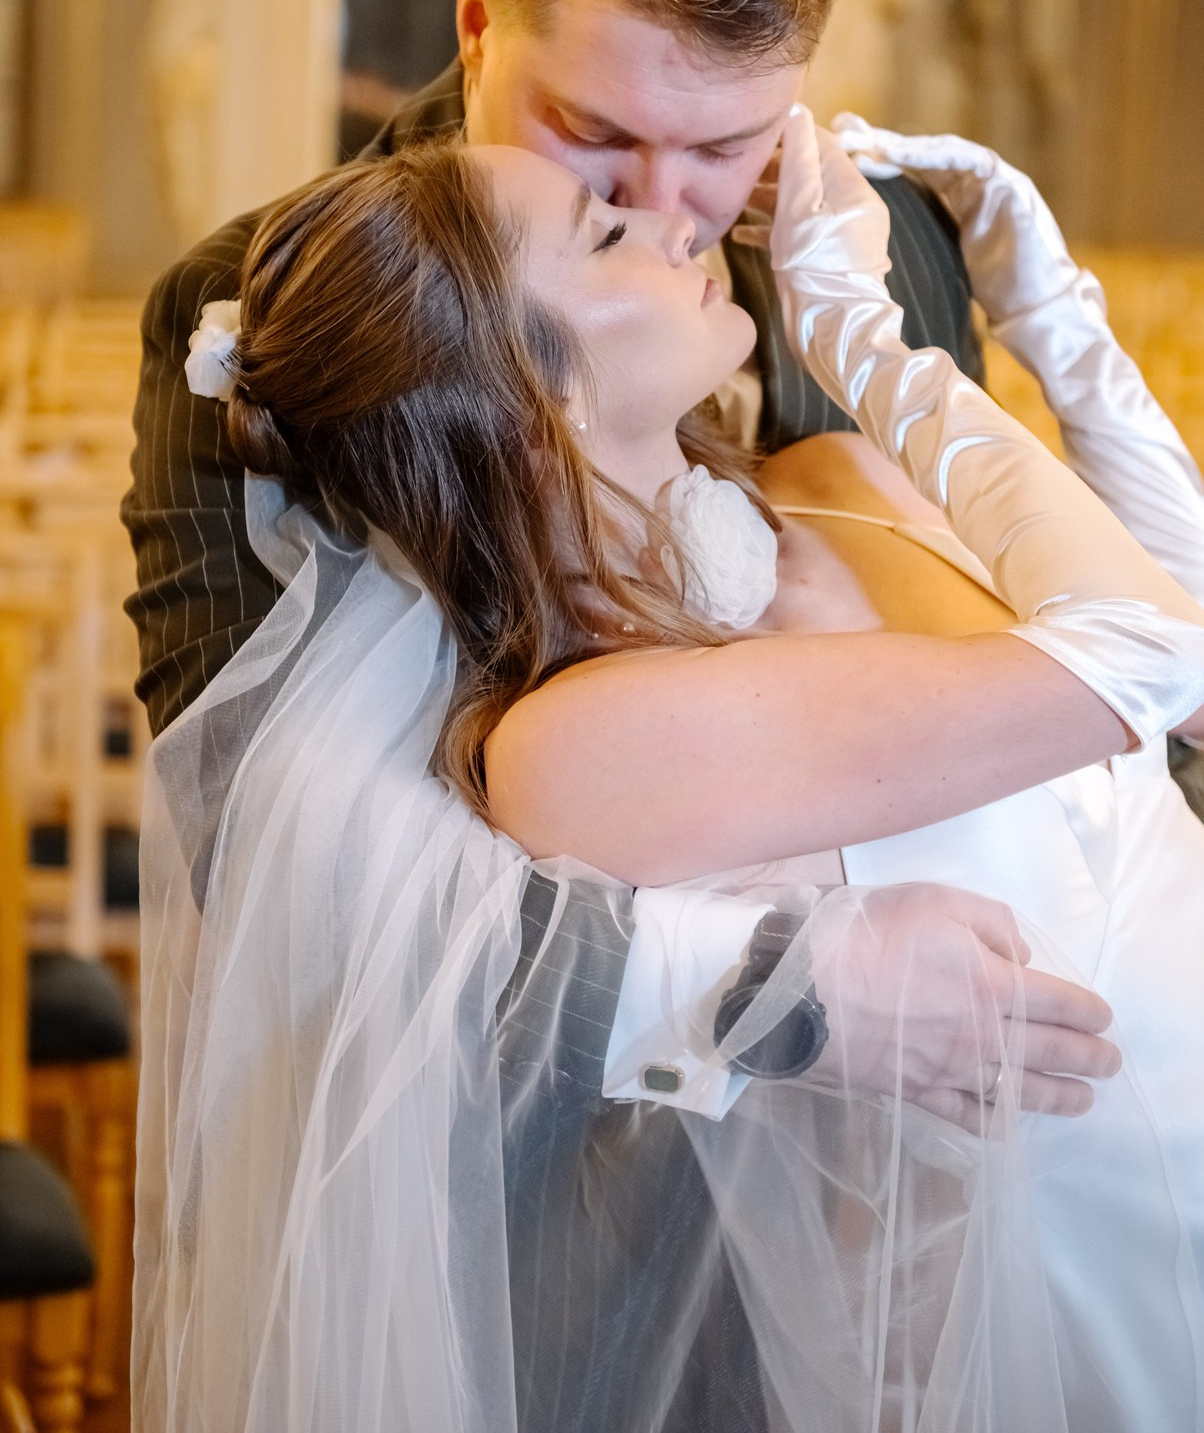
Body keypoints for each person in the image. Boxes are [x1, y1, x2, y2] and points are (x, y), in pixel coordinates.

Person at [133, 109, 1204, 1431]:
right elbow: (1149, 658)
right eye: (604, 228)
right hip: (1121, 1254)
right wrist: (862, 333)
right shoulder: (586, 737)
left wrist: (1048, 308)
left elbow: (1185, 643)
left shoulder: (828, 475)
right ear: (544, 405)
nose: (674, 220)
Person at [123, 0, 1112, 1121]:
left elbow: (1003, 658)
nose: (666, 211)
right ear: (478, 20)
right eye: (592, 132)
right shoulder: (265, 320)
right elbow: (276, 867)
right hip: (510, 1190)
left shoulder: (898, 249)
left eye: (724, 148)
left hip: (939, 1166)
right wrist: (783, 997)